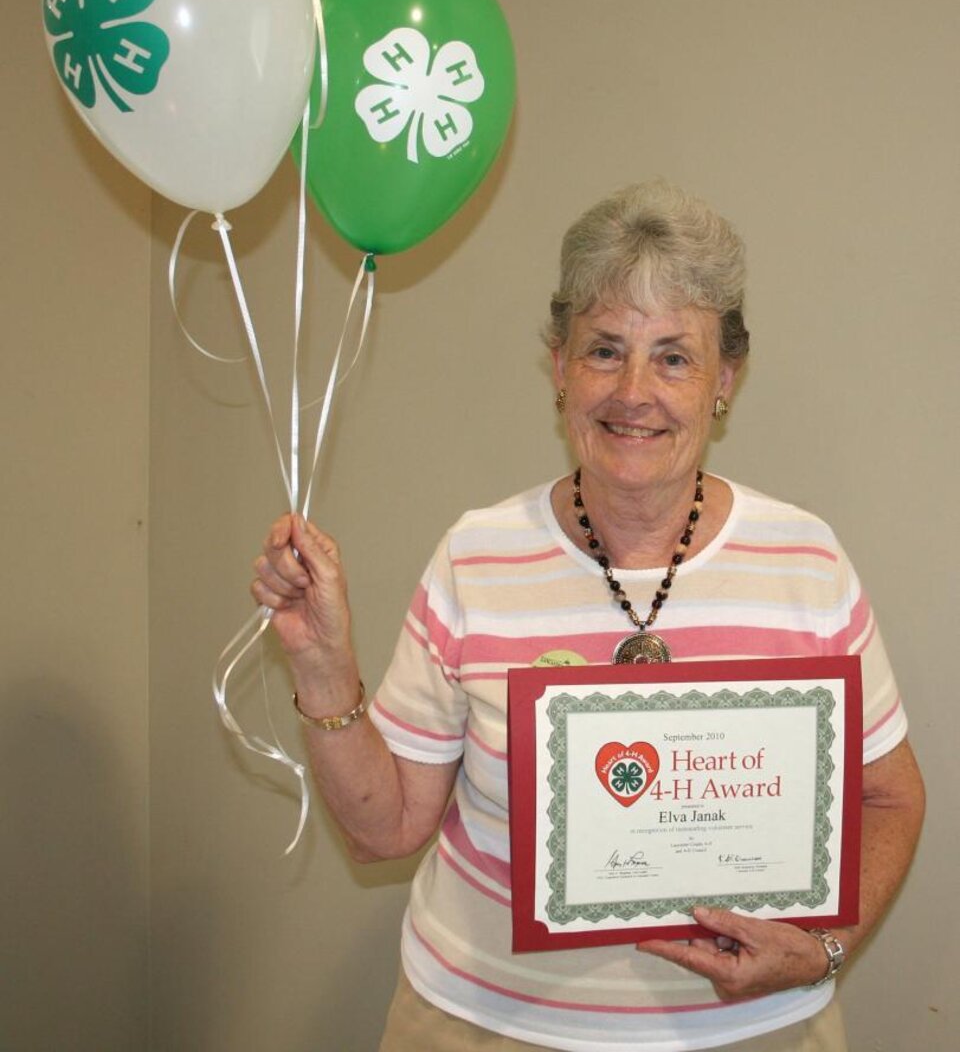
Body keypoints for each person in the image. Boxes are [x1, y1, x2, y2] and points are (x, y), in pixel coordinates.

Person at [252, 180, 924, 1052]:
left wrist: (825, 949)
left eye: (674, 357)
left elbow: (890, 796)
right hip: (484, 1025)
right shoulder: (476, 556)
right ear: (559, 366)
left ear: (725, 380)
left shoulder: (807, 562)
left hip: (752, 1033)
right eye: (605, 350)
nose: (633, 391)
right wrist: (320, 662)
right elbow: (383, 830)